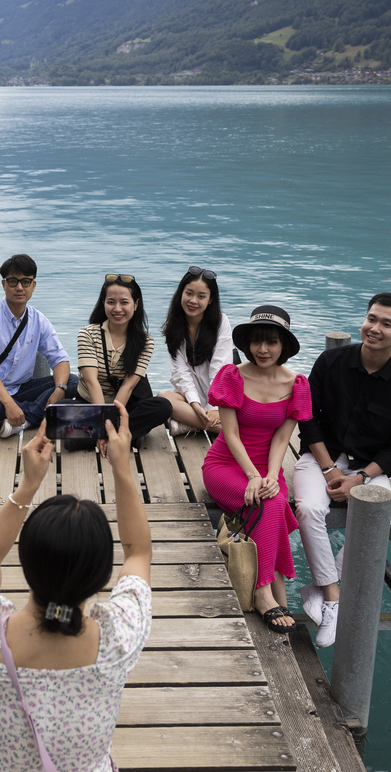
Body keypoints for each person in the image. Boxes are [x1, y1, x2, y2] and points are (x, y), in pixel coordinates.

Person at [0, 402, 151, 772]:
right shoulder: (118, 637)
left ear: (26, 565)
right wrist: (121, 470)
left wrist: (29, 484)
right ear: (102, 574)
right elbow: (139, 552)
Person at [294, 292, 391, 648]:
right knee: (308, 509)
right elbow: (308, 421)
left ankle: (320, 588)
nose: (375, 328)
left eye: (387, 323)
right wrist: (327, 470)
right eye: (371, 319)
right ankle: (334, 596)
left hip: (368, 468)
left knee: (373, 516)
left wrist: (360, 478)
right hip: (321, 458)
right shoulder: (330, 362)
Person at [202, 306, 311, 633]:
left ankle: (276, 594)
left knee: (274, 501)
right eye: (257, 342)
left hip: (267, 467)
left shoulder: (297, 384)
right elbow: (230, 434)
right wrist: (252, 476)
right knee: (266, 504)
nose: (263, 349)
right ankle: (266, 593)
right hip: (225, 465)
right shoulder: (232, 376)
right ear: (247, 343)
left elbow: (281, 438)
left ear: (284, 346)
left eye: (272, 342)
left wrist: (270, 476)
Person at [0, 254, 78, 438]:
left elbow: (60, 359)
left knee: (72, 382)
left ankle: (25, 419)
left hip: (22, 389)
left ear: (34, 285)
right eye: (12, 281)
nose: (19, 287)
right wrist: (9, 404)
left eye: (25, 281)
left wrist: (60, 389)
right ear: (3, 284)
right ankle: (35, 413)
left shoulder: (39, 320)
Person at [75, 273, 172, 451]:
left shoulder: (145, 342)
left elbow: (128, 386)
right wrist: (104, 424)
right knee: (63, 416)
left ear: (135, 305)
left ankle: (104, 436)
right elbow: (91, 382)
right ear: (103, 303)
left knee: (163, 407)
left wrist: (106, 429)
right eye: (111, 302)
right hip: (91, 403)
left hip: (123, 406)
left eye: (124, 302)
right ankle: (128, 435)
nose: (117, 308)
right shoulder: (87, 334)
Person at [157, 265, 234, 437]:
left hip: (222, 397)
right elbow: (180, 372)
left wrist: (214, 408)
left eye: (201, 296)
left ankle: (189, 425)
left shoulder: (220, 322)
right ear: (181, 293)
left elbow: (220, 369)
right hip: (194, 396)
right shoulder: (174, 325)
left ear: (210, 299)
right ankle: (218, 427)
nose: (193, 300)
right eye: (189, 293)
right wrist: (195, 405)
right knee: (163, 398)